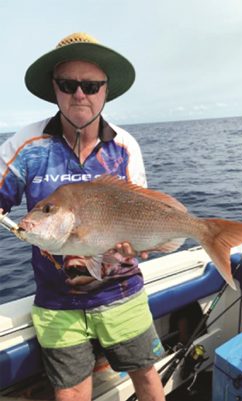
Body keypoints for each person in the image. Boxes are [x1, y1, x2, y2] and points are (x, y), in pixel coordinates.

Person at [0, 32, 165, 401]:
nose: (80, 94)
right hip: (57, 302)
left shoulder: (124, 145)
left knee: (148, 379)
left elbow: (141, 208)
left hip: (123, 292)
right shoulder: (27, 144)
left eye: (91, 85)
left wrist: (139, 245)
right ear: (54, 89)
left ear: (105, 90)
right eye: (68, 84)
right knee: (70, 393)